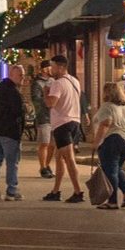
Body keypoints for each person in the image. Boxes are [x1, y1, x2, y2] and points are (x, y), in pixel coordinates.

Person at [42, 54, 84, 203]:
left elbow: (50, 103)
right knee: (59, 158)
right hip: (74, 121)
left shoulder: (58, 83)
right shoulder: (74, 81)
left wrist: (45, 92)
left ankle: (78, 191)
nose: (51, 69)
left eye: (53, 66)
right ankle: (56, 191)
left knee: (69, 159)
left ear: (60, 67)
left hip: (62, 124)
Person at [89, 81, 125, 209]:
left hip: (113, 140)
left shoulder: (107, 106)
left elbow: (105, 123)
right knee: (117, 169)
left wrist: (96, 142)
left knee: (110, 171)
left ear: (107, 93)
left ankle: (112, 201)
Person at [0, 64, 26, 201]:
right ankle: (12, 190)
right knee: (12, 161)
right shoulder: (13, 91)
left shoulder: (0, 88)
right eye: (20, 75)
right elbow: (17, 112)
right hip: (9, 131)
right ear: (12, 75)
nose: (23, 78)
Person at [30, 65, 54, 178]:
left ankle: (47, 164)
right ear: (44, 69)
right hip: (44, 116)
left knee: (52, 144)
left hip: (55, 116)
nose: (51, 69)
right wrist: (48, 101)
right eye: (49, 67)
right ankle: (43, 167)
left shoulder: (54, 81)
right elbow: (36, 99)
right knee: (45, 142)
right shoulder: (37, 84)